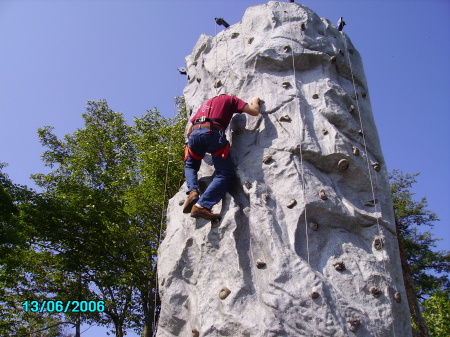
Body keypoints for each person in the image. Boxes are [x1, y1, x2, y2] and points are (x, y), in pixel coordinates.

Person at [183, 94, 260, 220]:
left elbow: (188, 131)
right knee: (224, 174)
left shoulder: (205, 104)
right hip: (213, 133)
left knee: (191, 165)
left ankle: (192, 191)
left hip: (195, 134)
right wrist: (255, 101)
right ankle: (202, 205)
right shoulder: (231, 99)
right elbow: (254, 112)